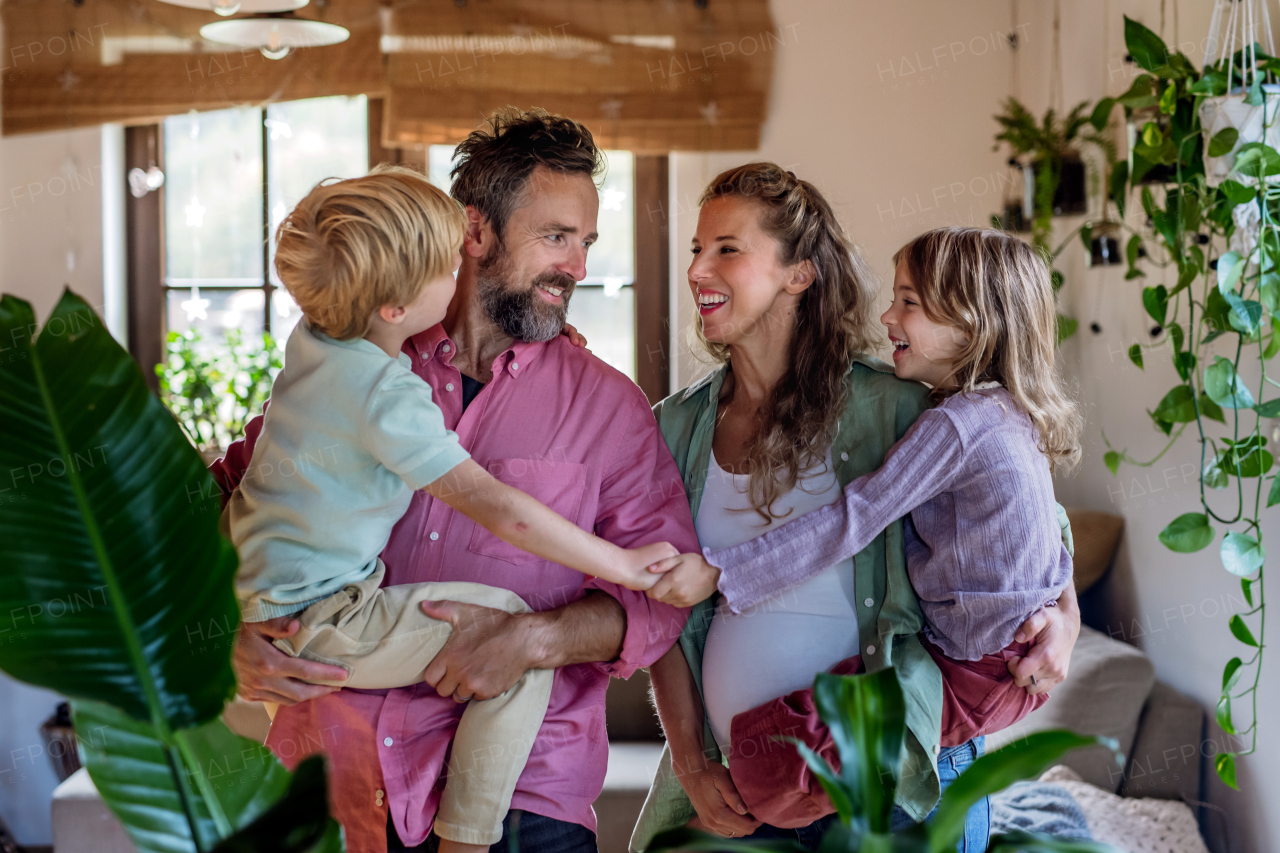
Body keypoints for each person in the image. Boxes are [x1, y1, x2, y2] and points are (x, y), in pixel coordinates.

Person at [211, 109, 696, 853]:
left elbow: (657, 606)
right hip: (335, 782)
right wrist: (226, 637)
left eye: (587, 242)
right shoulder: (353, 370)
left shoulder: (610, 408)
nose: (579, 266)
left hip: (526, 807)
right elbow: (221, 509)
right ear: (476, 231)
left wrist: (531, 639)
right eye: (557, 237)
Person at [629, 164, 1081, 853]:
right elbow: (660, 610)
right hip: (748, 790)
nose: (698, 269)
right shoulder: (675, 429)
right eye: (695, 248)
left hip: (897, 778)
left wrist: (1064, 622)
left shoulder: (899, 403)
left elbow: (1028, 516)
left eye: (727, 248)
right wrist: (691, 762)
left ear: (798, 274)